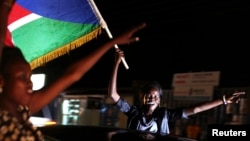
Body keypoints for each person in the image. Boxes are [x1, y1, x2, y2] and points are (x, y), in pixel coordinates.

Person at [0, 2, 147, 140]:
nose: (30, 83)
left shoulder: (24, 111)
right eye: (22, 77)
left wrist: (111, 43)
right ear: (2, 81)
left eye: (30, 76)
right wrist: (5, 6)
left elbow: (72, 75)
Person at [108, 48, 246, 136]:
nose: (151, 98)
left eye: (155, 95)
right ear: (142, 98)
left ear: (159, 99)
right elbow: (113, 95)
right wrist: (116, 64)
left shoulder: (167, 115)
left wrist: (223, 100)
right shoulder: (133, 112)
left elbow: (197, 108)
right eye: (148, 95)